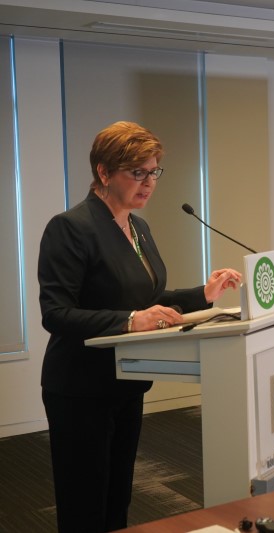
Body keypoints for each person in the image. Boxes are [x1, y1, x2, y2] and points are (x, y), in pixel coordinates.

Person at [38, 121, 243, 532]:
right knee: (84, 503)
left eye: (153, 172)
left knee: (118, 497)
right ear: (103, 172)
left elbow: (149, 299)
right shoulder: (71, 227)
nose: (148, 182)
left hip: (127, 381)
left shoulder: (137, 227)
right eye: (137, 172)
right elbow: (55, 312)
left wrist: (205, 292)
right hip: (80, 388)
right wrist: (131, 322)